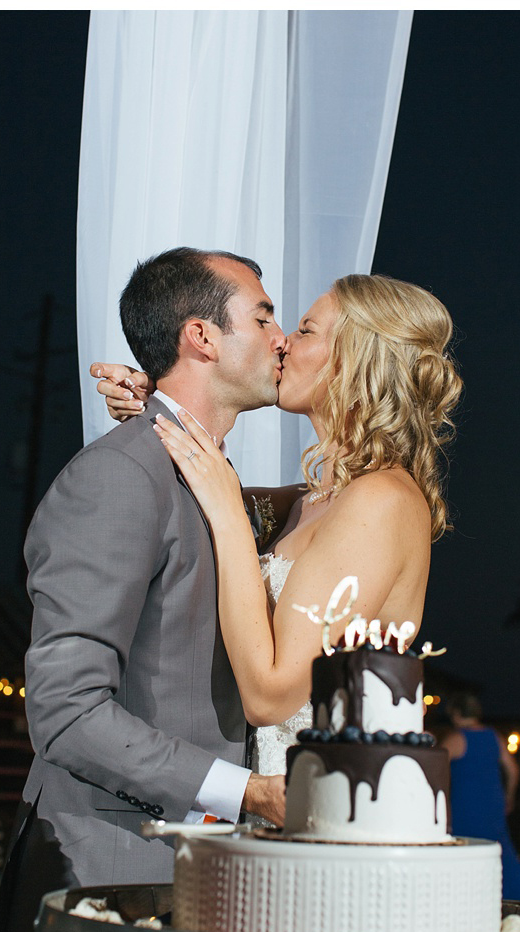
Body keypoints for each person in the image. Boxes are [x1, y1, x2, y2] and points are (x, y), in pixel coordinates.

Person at [0, 247, 288, 932]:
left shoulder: (206, 475)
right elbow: (67, 712)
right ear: (201, 336)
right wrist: (250, 793)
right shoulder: (120, 476)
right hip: (102, 873)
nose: (281, 339)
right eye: (264, 317)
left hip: (195, 875)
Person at [92, 273, 463, 777]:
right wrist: (158, 403)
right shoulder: (308, 502)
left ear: (356, 358)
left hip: (314, 800)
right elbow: (193, 498)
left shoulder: (382, 502)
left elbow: (270, 698)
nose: (284, 341)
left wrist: (228, 511)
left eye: (306, 330)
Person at [441, 692, 520, 901]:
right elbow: (513, 770)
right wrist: (509, 796)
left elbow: (434, 767)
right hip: (493, 802)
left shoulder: (457, 738)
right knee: (497, 850)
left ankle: (469, 897)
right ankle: (519, 894)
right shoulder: (493, 736)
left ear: (456, 713)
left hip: (465, 804)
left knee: (466, 850)